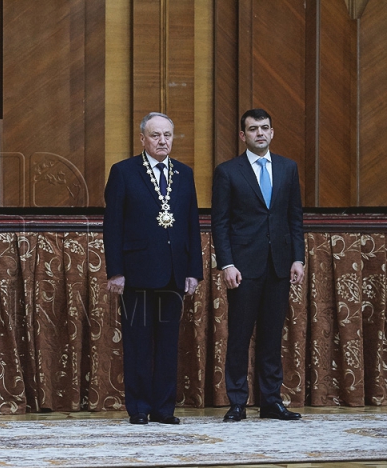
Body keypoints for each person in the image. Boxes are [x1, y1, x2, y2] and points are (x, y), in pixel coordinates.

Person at [103, 112, 203, 425]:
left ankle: (164, 408)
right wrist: (115, 271)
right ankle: (139, 407)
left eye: (168, 135)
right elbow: (113, 225)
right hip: (136, 273)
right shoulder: (123, 172)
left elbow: (191, 224)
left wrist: (194, 271)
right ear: (143, 139)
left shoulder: (184, 174)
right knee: (138, 342)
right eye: (156, 135)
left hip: (174, 272)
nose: (163, 141)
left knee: (168, 344)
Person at [211, 108, 305, 422]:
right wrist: (227, 264)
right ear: (243, 135)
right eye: (253, 129)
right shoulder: (228, 171)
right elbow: (220, 224)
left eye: (265, 128)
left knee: (271, 336)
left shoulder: (288, 168)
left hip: (279, 266)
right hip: (243, 268)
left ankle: (270, 402)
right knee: (239, 335)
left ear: (272, 131)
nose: (260, 133)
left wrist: (298, 257)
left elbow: (294, 219)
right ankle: (237, 401)